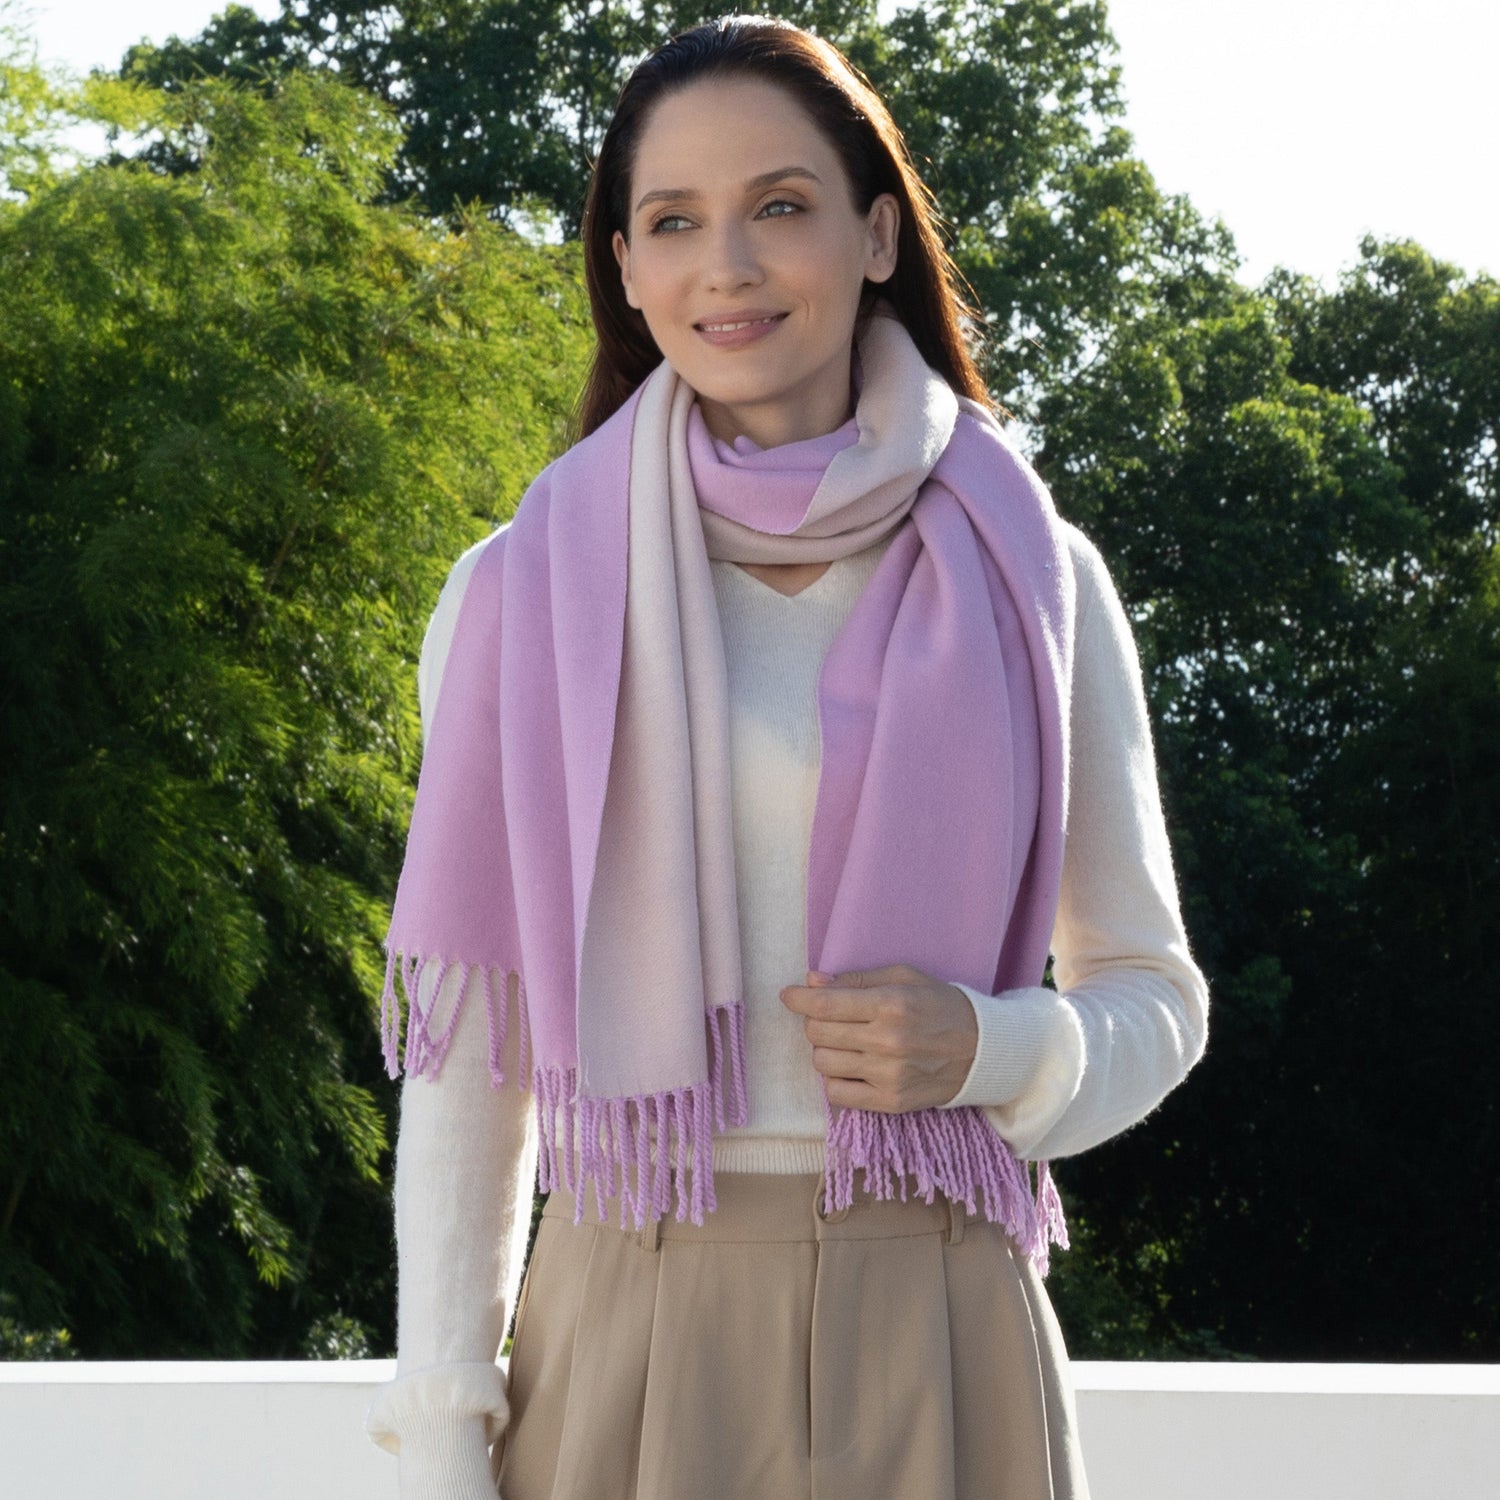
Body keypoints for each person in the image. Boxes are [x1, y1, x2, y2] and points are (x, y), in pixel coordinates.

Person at [364, 14, 1208, 1499]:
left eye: (781, 207)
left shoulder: (1038, 578)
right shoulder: (522, 593)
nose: (729, 267)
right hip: (626, 1323)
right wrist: (439, 1441)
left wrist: (1000, 1047)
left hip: (945, 1322)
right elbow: (468, 1066)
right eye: (673, 221)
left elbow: (1155, 994)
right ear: (625, 270)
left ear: (877, 233)